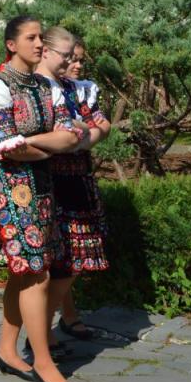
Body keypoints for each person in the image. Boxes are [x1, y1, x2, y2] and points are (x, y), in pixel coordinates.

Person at [0, 16, 83, 382]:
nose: (39, 44)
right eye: (31, 38)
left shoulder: (46, 87)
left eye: (40, 37)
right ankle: (44, 363)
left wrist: (33, 143)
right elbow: (12, 151)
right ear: (11, 44)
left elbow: (69, 138)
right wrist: (45, 145)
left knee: (27, 271)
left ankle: (7, 350)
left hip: (42, 186)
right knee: (35, 273)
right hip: (9, 188)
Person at [37, 29, 110, 353]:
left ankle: (59, 319)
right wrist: (82, 131)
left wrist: (85, 134)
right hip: (52, 179)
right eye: (70, 58)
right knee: (65, 257)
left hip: (77, 177)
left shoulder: (78, 90)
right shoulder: (44, 88)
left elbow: (101, 124)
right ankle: (43, 330)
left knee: (72, 257)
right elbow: (63, 130)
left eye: (79, 59)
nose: (76, 64)